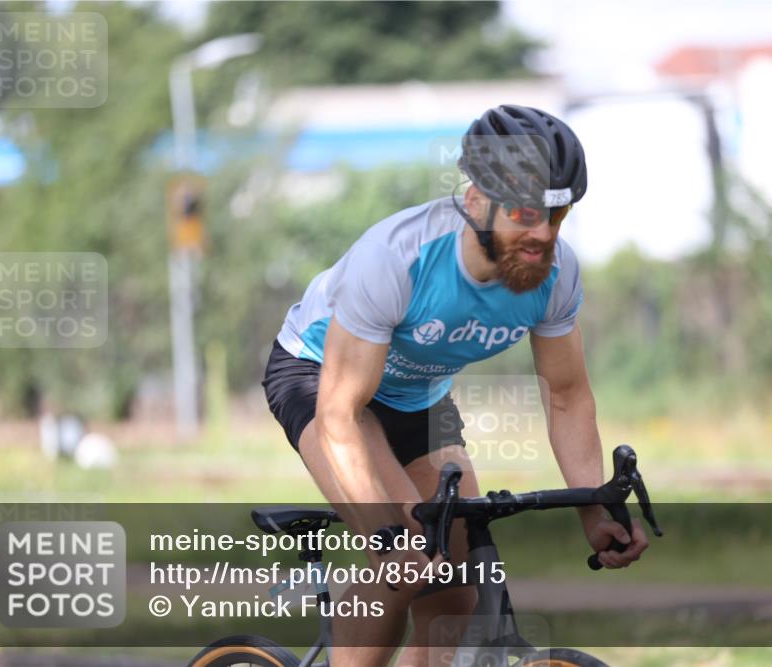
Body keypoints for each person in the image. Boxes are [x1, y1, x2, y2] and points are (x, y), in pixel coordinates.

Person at [263, 104, 649, 667]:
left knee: (456, 589)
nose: (543, 234)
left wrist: (595, 509)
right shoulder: (397, 258)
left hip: (417, 396)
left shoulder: (556, 275)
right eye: (525, 213)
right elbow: (340, 415)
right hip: (321, 378)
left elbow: (567, 398)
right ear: (475, 202)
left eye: (557, 215)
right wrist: (384, 538)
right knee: (407, 557)